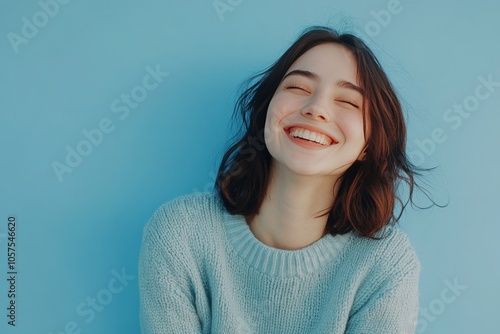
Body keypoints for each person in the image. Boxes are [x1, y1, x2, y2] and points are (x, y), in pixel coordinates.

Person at [139, 26, 434, 333]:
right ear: (267, 111)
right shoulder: (179, 234)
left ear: (369, 145)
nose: (316, 109)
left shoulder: (385, 265)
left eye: (348, 102)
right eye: (298, 88)